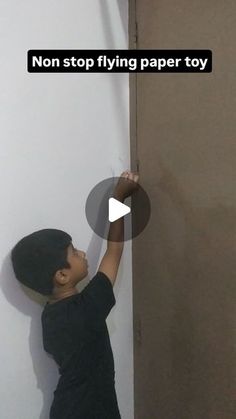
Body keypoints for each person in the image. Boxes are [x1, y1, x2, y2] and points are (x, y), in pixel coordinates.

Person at [11, 170, 139, 419]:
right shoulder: (87, 308)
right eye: (75, 252)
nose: (82, 254)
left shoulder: (50, 316)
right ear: (62, 275)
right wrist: (118, 198)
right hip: (94, 409)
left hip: (67, 408)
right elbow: (114, 251)